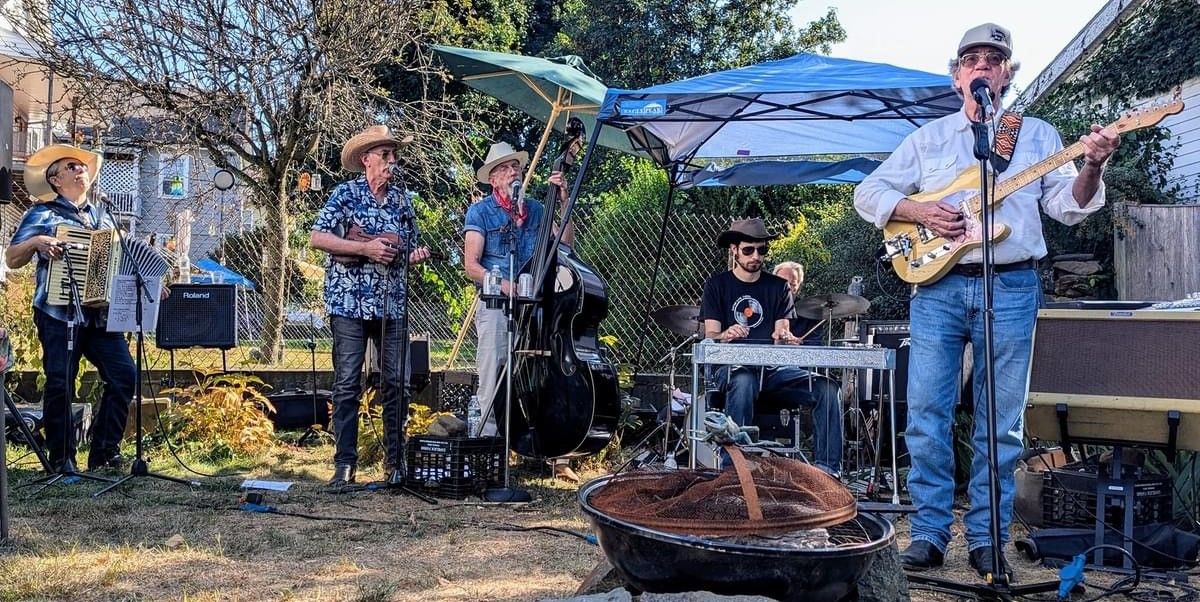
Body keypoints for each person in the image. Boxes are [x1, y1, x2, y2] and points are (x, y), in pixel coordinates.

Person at [853, 23, 1119, 579]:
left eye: (993, 60)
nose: (982, 67)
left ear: (1005, 76)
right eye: (971, 59)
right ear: (957, 77)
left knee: (1001, 422)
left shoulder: (1038, 135)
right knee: (926, 411)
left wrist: (1092, 164)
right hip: (938, 287)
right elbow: (868, 192)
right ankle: (927, 533)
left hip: (1014, 284)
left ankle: (986, 537)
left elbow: (1070, 207)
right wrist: (922, 212)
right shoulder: (928, 140)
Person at [310, 125, 432, 488]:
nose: (392, 162)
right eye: (385, 155)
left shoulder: (403, 201)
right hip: (348, 303)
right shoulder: (345, 194)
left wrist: (413, 257)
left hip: (392, 305)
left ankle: (395, 464)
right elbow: (318, 237)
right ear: (366, 160)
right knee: (347, 383)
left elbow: (406, 249)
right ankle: (345, 464)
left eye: (394, 156)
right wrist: (365, 249)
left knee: (398, 383)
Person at [4, 144, 135, 473]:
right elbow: (12, 257)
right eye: (72, 166)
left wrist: (145, 280)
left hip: (98, 314)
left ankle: (104, 454)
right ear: (56, 179)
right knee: (61, 380)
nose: (82, 171)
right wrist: (37, 243)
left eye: (83, 167)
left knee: (124, 376)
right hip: (57, 312)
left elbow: (120, 260)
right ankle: (62, 459)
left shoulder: (104, 217)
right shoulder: (42, 213)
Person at [461, 141, 577, 482]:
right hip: (498, 303)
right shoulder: (480, 212)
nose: (515, 172)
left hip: (536, 307)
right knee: (493, 371)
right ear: (494, 179)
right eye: (507, 168)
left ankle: (552, 449)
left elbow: (566, 245)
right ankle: (489, 454)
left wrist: (564, 197)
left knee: (545, 374)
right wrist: (507, 286)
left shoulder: (538, 210)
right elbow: (471, 266)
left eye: (517, 167)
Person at [699, 218, 842, 476]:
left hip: (774, 371)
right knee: (742, 380)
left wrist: (783, 336)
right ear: (734, 249)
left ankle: (828, 471)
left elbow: (781, 332)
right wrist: (725, 334)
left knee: (827, 388)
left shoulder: (778, 288)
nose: (756, 256)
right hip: (732, 369)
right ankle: (734, 472)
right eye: (748, 250)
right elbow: (711, 335)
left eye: (762, 250)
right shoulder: (716, 285)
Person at [773, 261, 824, 343]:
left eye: (792, 284)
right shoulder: (762, 307)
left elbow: (815, 348)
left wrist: (799, 348)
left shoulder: (812, 314)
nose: (786, 288)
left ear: (799, 288)